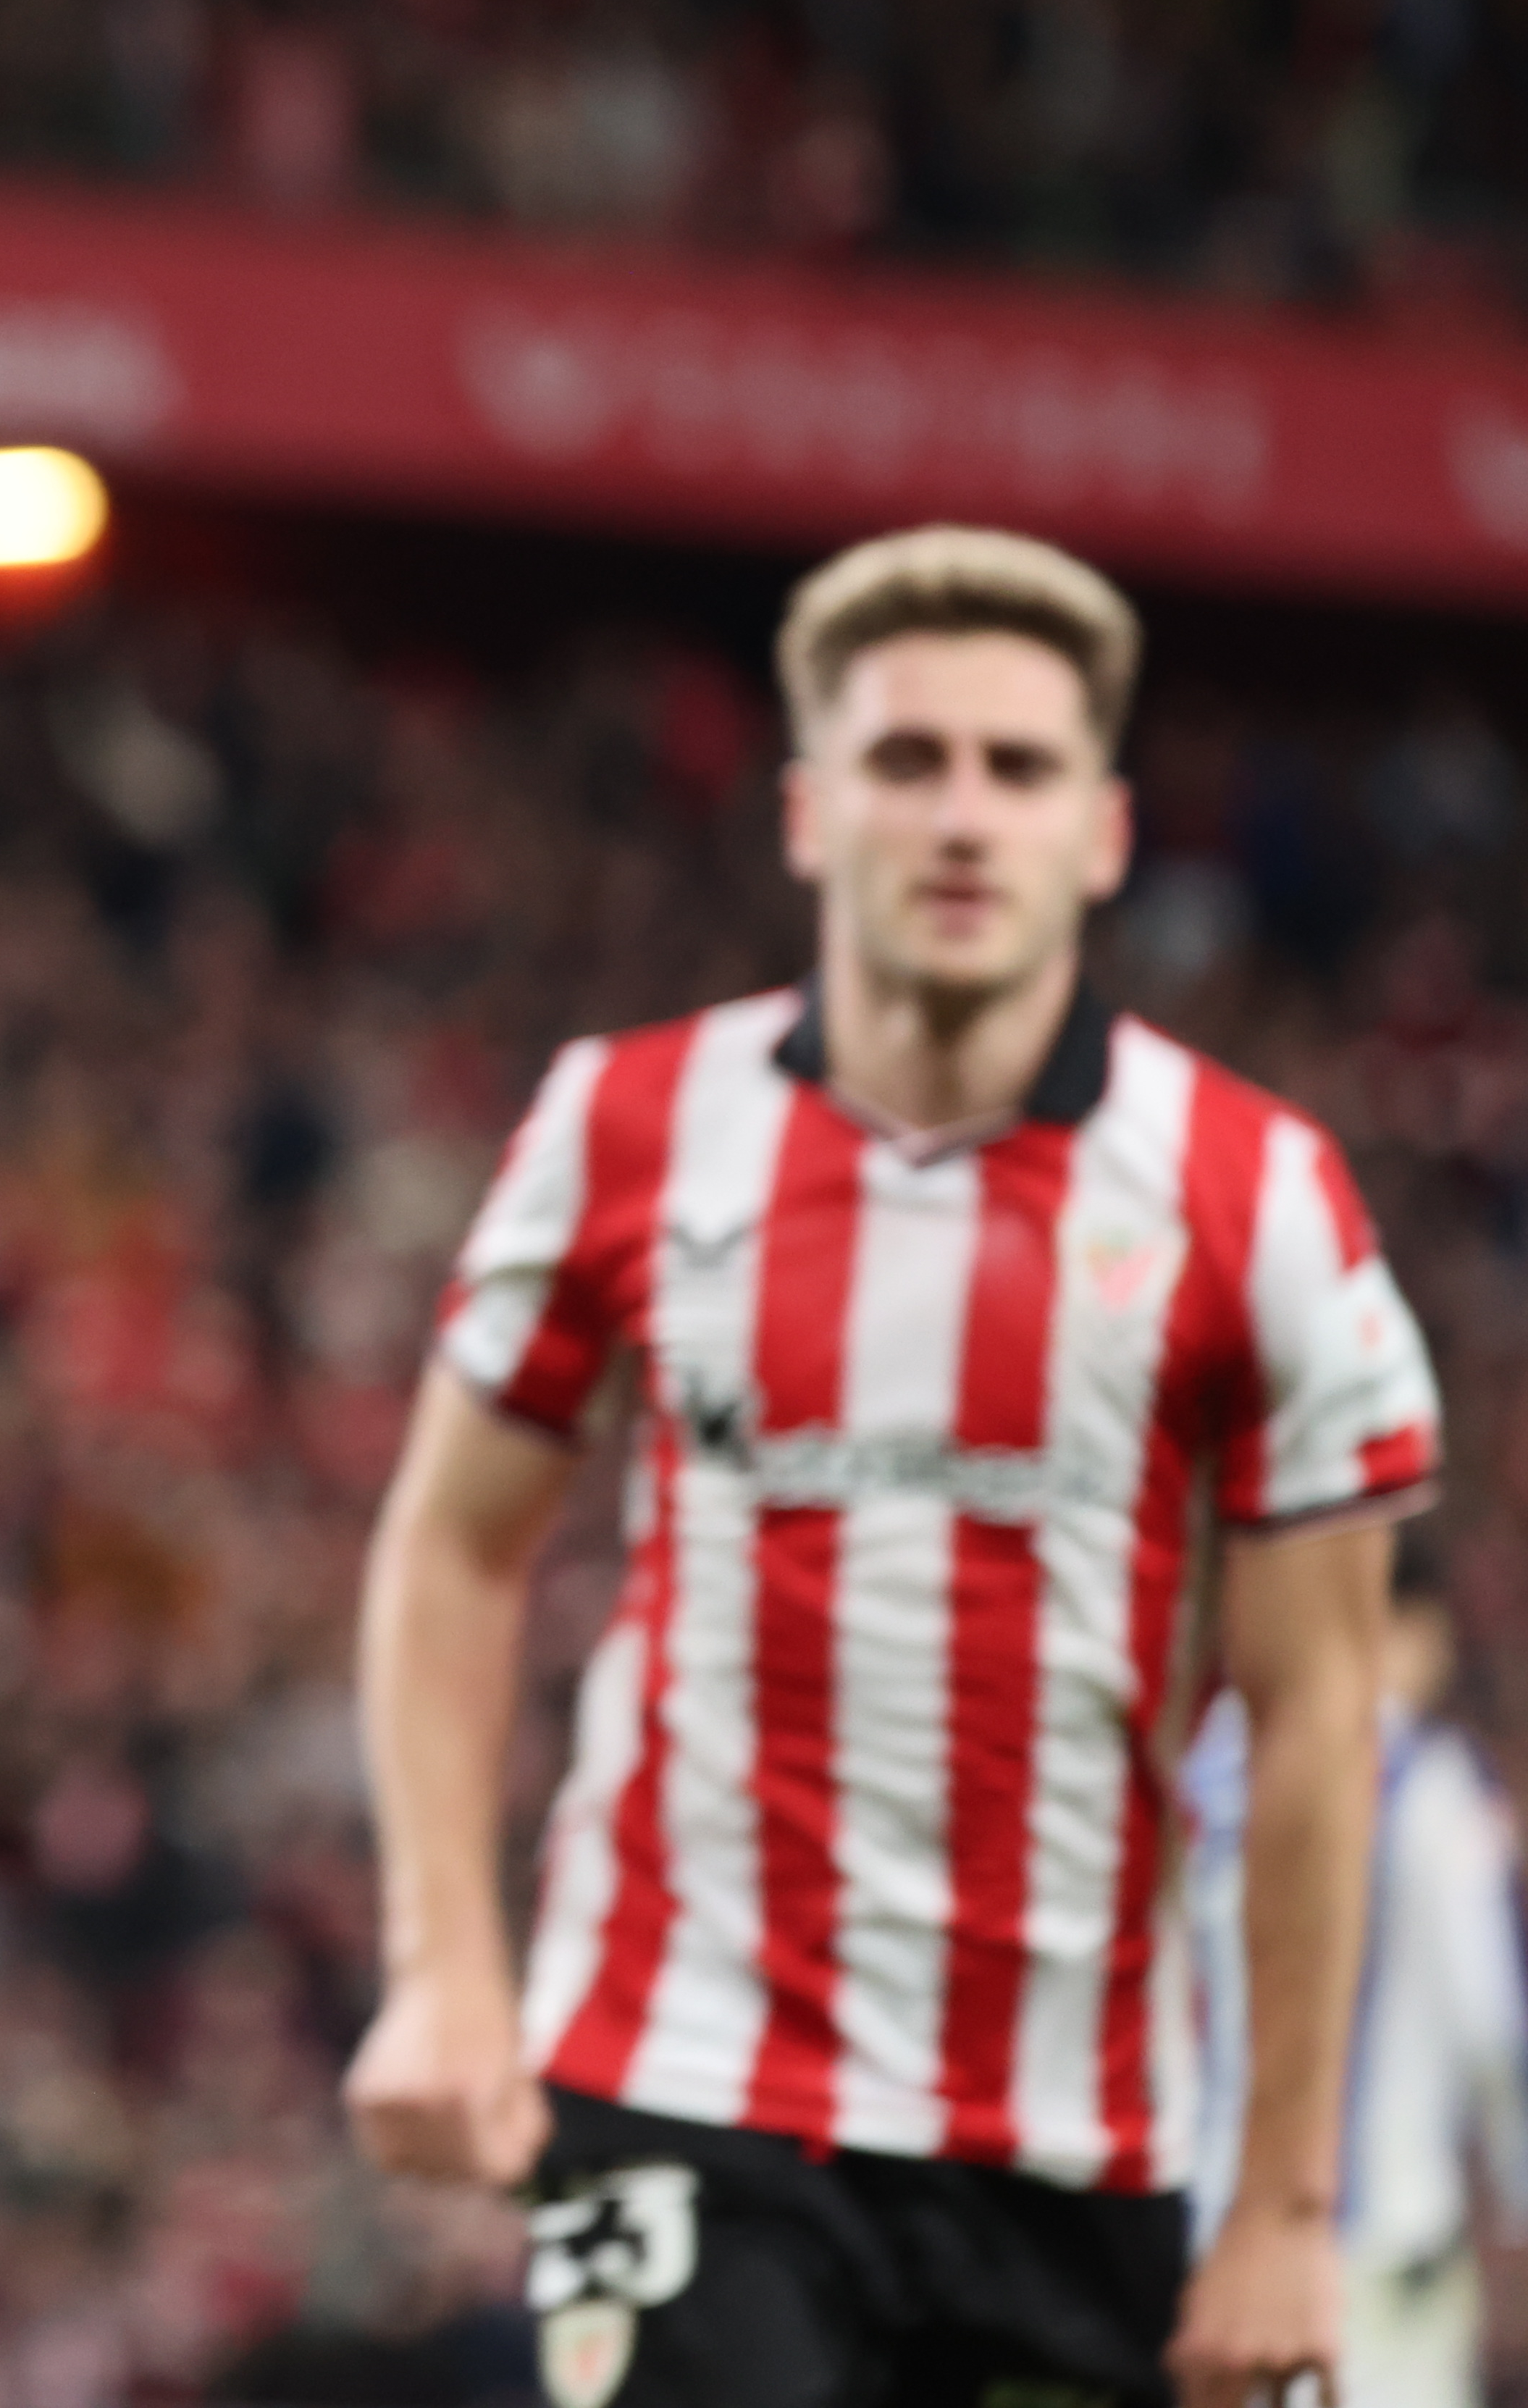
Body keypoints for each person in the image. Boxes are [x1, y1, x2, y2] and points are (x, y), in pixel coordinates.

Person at [340, 527, 1433, 2408]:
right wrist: (446, 1960)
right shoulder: (627, 1125)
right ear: (804, 812)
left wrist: (1284, 2206)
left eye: (1017, 771)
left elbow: (1320, 1712)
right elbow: (450, 1547)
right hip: (679, 2069)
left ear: (1099, 835)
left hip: (1079, 2134)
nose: (960, 817)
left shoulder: (1255, 1193)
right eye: (907, 762)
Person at [1183, 1537, 1528, 2408]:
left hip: (1211, 2232)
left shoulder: (1200, 1768)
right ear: (1402, 1628)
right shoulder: (1429, 1787)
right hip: (1379, 2243)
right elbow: (1491, 2024)